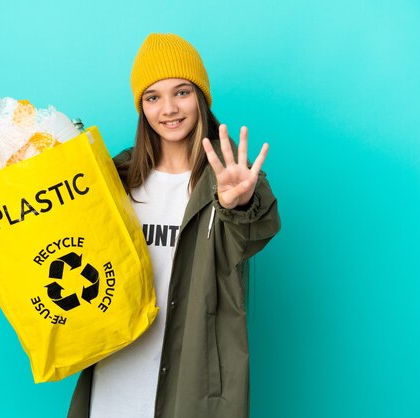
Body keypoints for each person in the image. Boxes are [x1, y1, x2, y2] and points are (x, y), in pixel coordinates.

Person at [68, 33, 280, 418]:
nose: (168, 108)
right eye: (153, 97)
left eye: (181, 92)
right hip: (116, 375)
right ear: (142, 108)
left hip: (193, 383)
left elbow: (255, 229)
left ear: (200, 97)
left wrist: (240, 203)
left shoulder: (229, 181)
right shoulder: (117, 178)